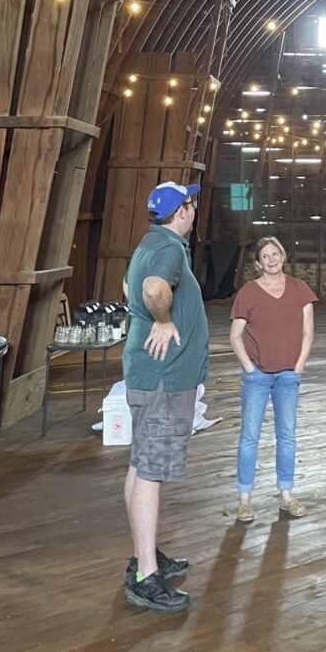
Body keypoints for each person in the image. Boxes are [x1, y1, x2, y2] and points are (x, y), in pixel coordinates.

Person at [121, 180, 208, 612]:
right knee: (152, 470)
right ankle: (145, 577)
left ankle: (145, 555)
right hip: (163, 378)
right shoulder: (170, 248)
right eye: (191, 204)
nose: (194, 210)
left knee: (141, 464)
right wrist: (161, 318)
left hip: (146, 372)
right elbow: (154, 290)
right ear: (183, 211)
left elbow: (130, 287)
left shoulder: (147, 243)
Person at [229, 236, 317, 522]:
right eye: (265, 255)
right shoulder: (248, 293)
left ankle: (286, 495)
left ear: (283, 256)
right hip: (257, 376)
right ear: (258, 263)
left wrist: (298, 367)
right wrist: (249, 368)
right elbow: (235, 335)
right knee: (249, 437)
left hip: (288, 375)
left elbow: (308, 332)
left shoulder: (299, 289)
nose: (271, 259)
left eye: (275, 253)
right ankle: (245, 499)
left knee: (287, 436)